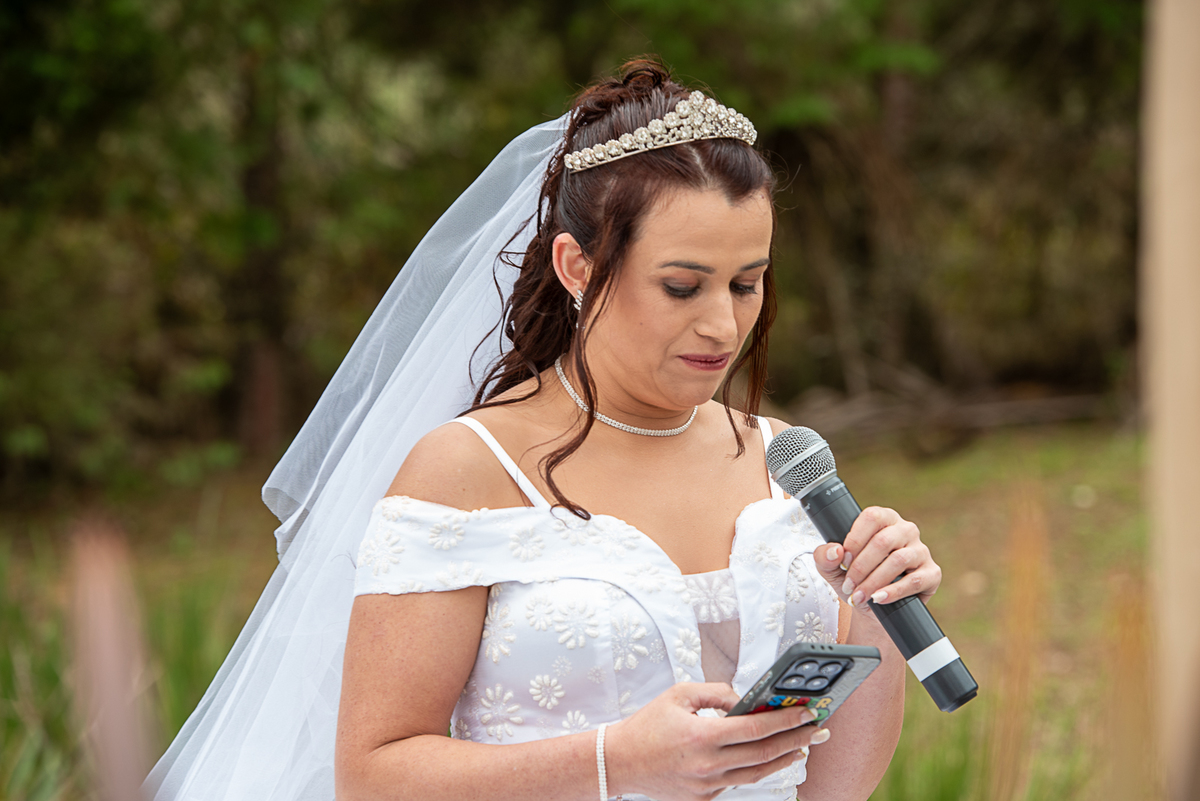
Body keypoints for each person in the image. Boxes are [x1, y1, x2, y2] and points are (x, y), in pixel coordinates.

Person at [145, 59, 939, 801]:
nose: (723, 325)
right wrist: (617, 759)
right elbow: (372, 774)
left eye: (746, 283)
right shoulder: (467, 468)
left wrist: (879, 609)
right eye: (681, 286)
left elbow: (830, 786)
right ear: (576, 266)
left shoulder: (781, 460)